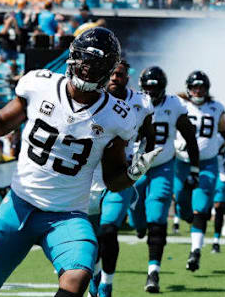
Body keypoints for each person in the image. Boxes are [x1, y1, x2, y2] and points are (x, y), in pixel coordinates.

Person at [0, 27, 160, 297]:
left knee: (78, 273)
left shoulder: (118, 115)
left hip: (66, 215)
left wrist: (132, 174)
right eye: (85, 60)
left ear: (109, 69)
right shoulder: (39, 84)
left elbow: (113, 179)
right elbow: (4, 121)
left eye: (97, 64)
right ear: (73, 57)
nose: (88, 69)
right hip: (18, 205)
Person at [90, 61, 155, 297]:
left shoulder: (141, 102)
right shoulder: (91, 98)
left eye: (119, 74)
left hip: (119, 175)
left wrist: (142, 158)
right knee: (91, 237)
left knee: (108, 230)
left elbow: (150, 137)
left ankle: (107, 283)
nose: (114, 78)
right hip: (90, 175)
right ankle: (96, 274)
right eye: (111, 74)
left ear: (127, 77)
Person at [133, 66, 199, 293]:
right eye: (148, 88)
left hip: (162, 164)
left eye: (156, 88)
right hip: (136, 166)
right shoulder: (133, 101)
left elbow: (189, 136)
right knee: (135, 211)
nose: (151, 93)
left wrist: (195, 167)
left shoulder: (174, 104)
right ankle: (138, 225)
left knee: (158, 214)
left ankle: (153, 272)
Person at [174, 71, 225, 272]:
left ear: (207, 88)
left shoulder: (216, 108)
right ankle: (189, 220)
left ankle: (195, 252)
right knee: (183, 205)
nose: (198, 90)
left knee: (201, 208)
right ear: (188, 88)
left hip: (206, 164)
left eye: (201, 87)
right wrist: (175, 144)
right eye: (194, 86)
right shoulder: (178, 105)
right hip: (182, 163)